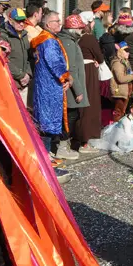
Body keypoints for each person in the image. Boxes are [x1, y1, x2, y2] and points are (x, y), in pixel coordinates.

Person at [30, 10, 73, 171]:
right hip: (49, 86)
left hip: (47, 84)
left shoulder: (46, 38)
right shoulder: (48, 41)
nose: (59, 23)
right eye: (56, 21)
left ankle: (46, 153)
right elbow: (54, 62)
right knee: (47, 121)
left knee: (46, 119)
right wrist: (66, 77)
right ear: (48, 24)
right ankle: (45, 155)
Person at [56, 14, 88, 159]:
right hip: (71, 87)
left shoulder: (69, 41)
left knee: (70, 116)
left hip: (71, 85)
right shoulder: (68, 43)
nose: (82, 30)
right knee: (70, 117)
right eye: (80, 28)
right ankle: (62, 147)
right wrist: (78, 90)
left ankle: (63, 145)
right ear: (73, 29)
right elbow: (71, 68)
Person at [77, 11, 105, 151]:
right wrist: (96, 60)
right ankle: (85, 140)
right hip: (88, 72)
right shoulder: (89, 38)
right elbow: (100, 57)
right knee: (90, 104)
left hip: (79, 70)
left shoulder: (78, 38)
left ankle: (78, 137)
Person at [0, 8, 32, 106]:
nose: (21, 24)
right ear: (10, 21)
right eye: (18, 21)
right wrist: (21, 75)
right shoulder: (3, 36)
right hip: (11, 82)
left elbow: (28, 57)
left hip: (24, 83)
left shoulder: (24, 35)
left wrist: (28, 74)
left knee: (23, 111)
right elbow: (4, 59)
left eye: (23, 21)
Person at [109, 42, 133, 122]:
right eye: (126, 51)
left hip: (124, 92)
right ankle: (116, 128)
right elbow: (121, 79)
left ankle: (120, 127)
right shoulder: (118, 63)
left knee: (122, 112)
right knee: (118, 113)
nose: (128, 53)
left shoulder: (125, 62)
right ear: (120, 52)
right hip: (119, 93)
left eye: (128, 51)